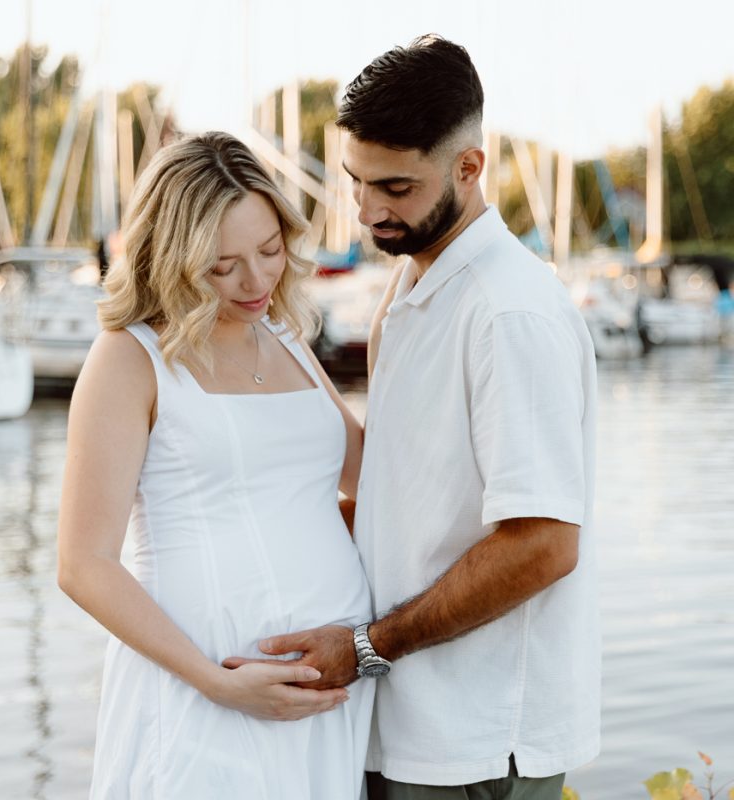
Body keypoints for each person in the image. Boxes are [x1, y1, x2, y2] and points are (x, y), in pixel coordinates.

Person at [223, 35, 600, 800]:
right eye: (357, 182)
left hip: (481, 747)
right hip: (403, 728)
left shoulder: (509, 312)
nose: (367, 211)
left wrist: (364, 646)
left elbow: (545, 544)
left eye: (394, 187)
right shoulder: (411, 289)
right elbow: (403, 495)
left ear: (469, 167)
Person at [57, 132, 375, 799]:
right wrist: (219, 683)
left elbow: (366, 479)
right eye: (223, 265)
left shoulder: (286, 336)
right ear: (172, 257)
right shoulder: (129, 358)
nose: (257, 281)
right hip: (201, 696)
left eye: (269, 250)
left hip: (322, 700)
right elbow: (84, 565)